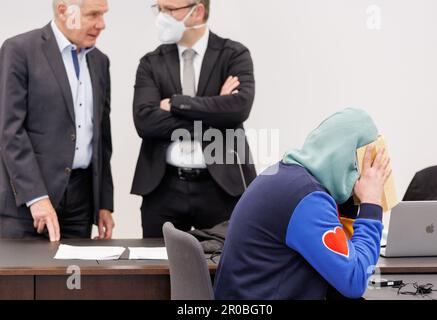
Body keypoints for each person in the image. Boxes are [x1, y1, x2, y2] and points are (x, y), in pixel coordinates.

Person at [214, 108, 391, 300]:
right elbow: (354, 280)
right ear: (350, 161)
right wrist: (371, 203)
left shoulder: (286, 177)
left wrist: (351, 201)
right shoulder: (307, 200)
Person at [132, 0, 256, 237]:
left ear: (197, 11)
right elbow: (145, 121)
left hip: (220, 186)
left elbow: (238, 109)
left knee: (221, 267)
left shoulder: (233, 55)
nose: (162, 16)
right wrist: (216, 107)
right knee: (158, 268)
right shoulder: (151, 62)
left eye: (169, 10)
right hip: (163, 187)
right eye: (159, 9)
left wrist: (176, 104)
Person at [0, 0, 115, 241]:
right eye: (93, 15)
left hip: (80, 204)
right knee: (24, 278)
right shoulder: (19, 50)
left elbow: (102, 136)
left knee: (73, 278)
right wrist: (36, 197)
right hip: (26, 203)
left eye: (103, 15)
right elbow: (10, 131)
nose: (102, 24)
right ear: (64, 11)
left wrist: (104, 203)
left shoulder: (100, 62)